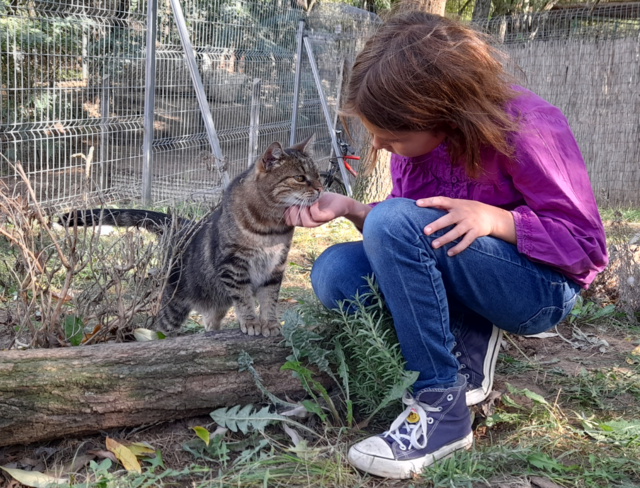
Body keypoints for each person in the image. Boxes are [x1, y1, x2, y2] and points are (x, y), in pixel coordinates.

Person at [285, 11, 607, 480]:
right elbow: (404, 232)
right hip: (462, 270)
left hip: (535, 291)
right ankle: (463, 338)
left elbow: (587, 249)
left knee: (395, 222)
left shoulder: (530, 127)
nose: (379, 144)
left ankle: (441, 407)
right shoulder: (414, 148)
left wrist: (497, 220)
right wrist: (351, 209)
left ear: (446, 114)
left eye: (393, 137)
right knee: (335, 272)